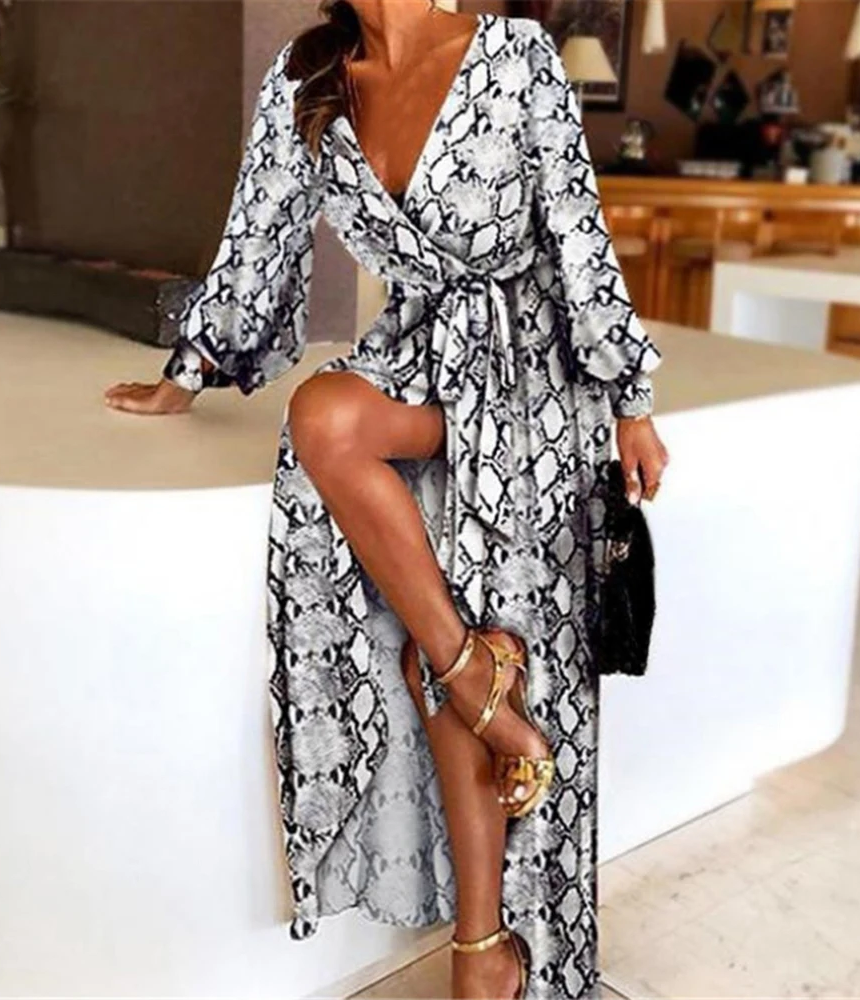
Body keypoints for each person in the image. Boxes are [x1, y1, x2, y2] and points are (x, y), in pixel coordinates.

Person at [105, 2, 669, 997]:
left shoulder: (514, 54)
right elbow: (257, 240)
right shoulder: (310, 74)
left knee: (435, 568)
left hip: (534, 379)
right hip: (420, 367)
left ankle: (486, 946)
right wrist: (186, 374)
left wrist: (630, 400)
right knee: (335, 436)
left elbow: (578, 235)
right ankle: (471, 701)